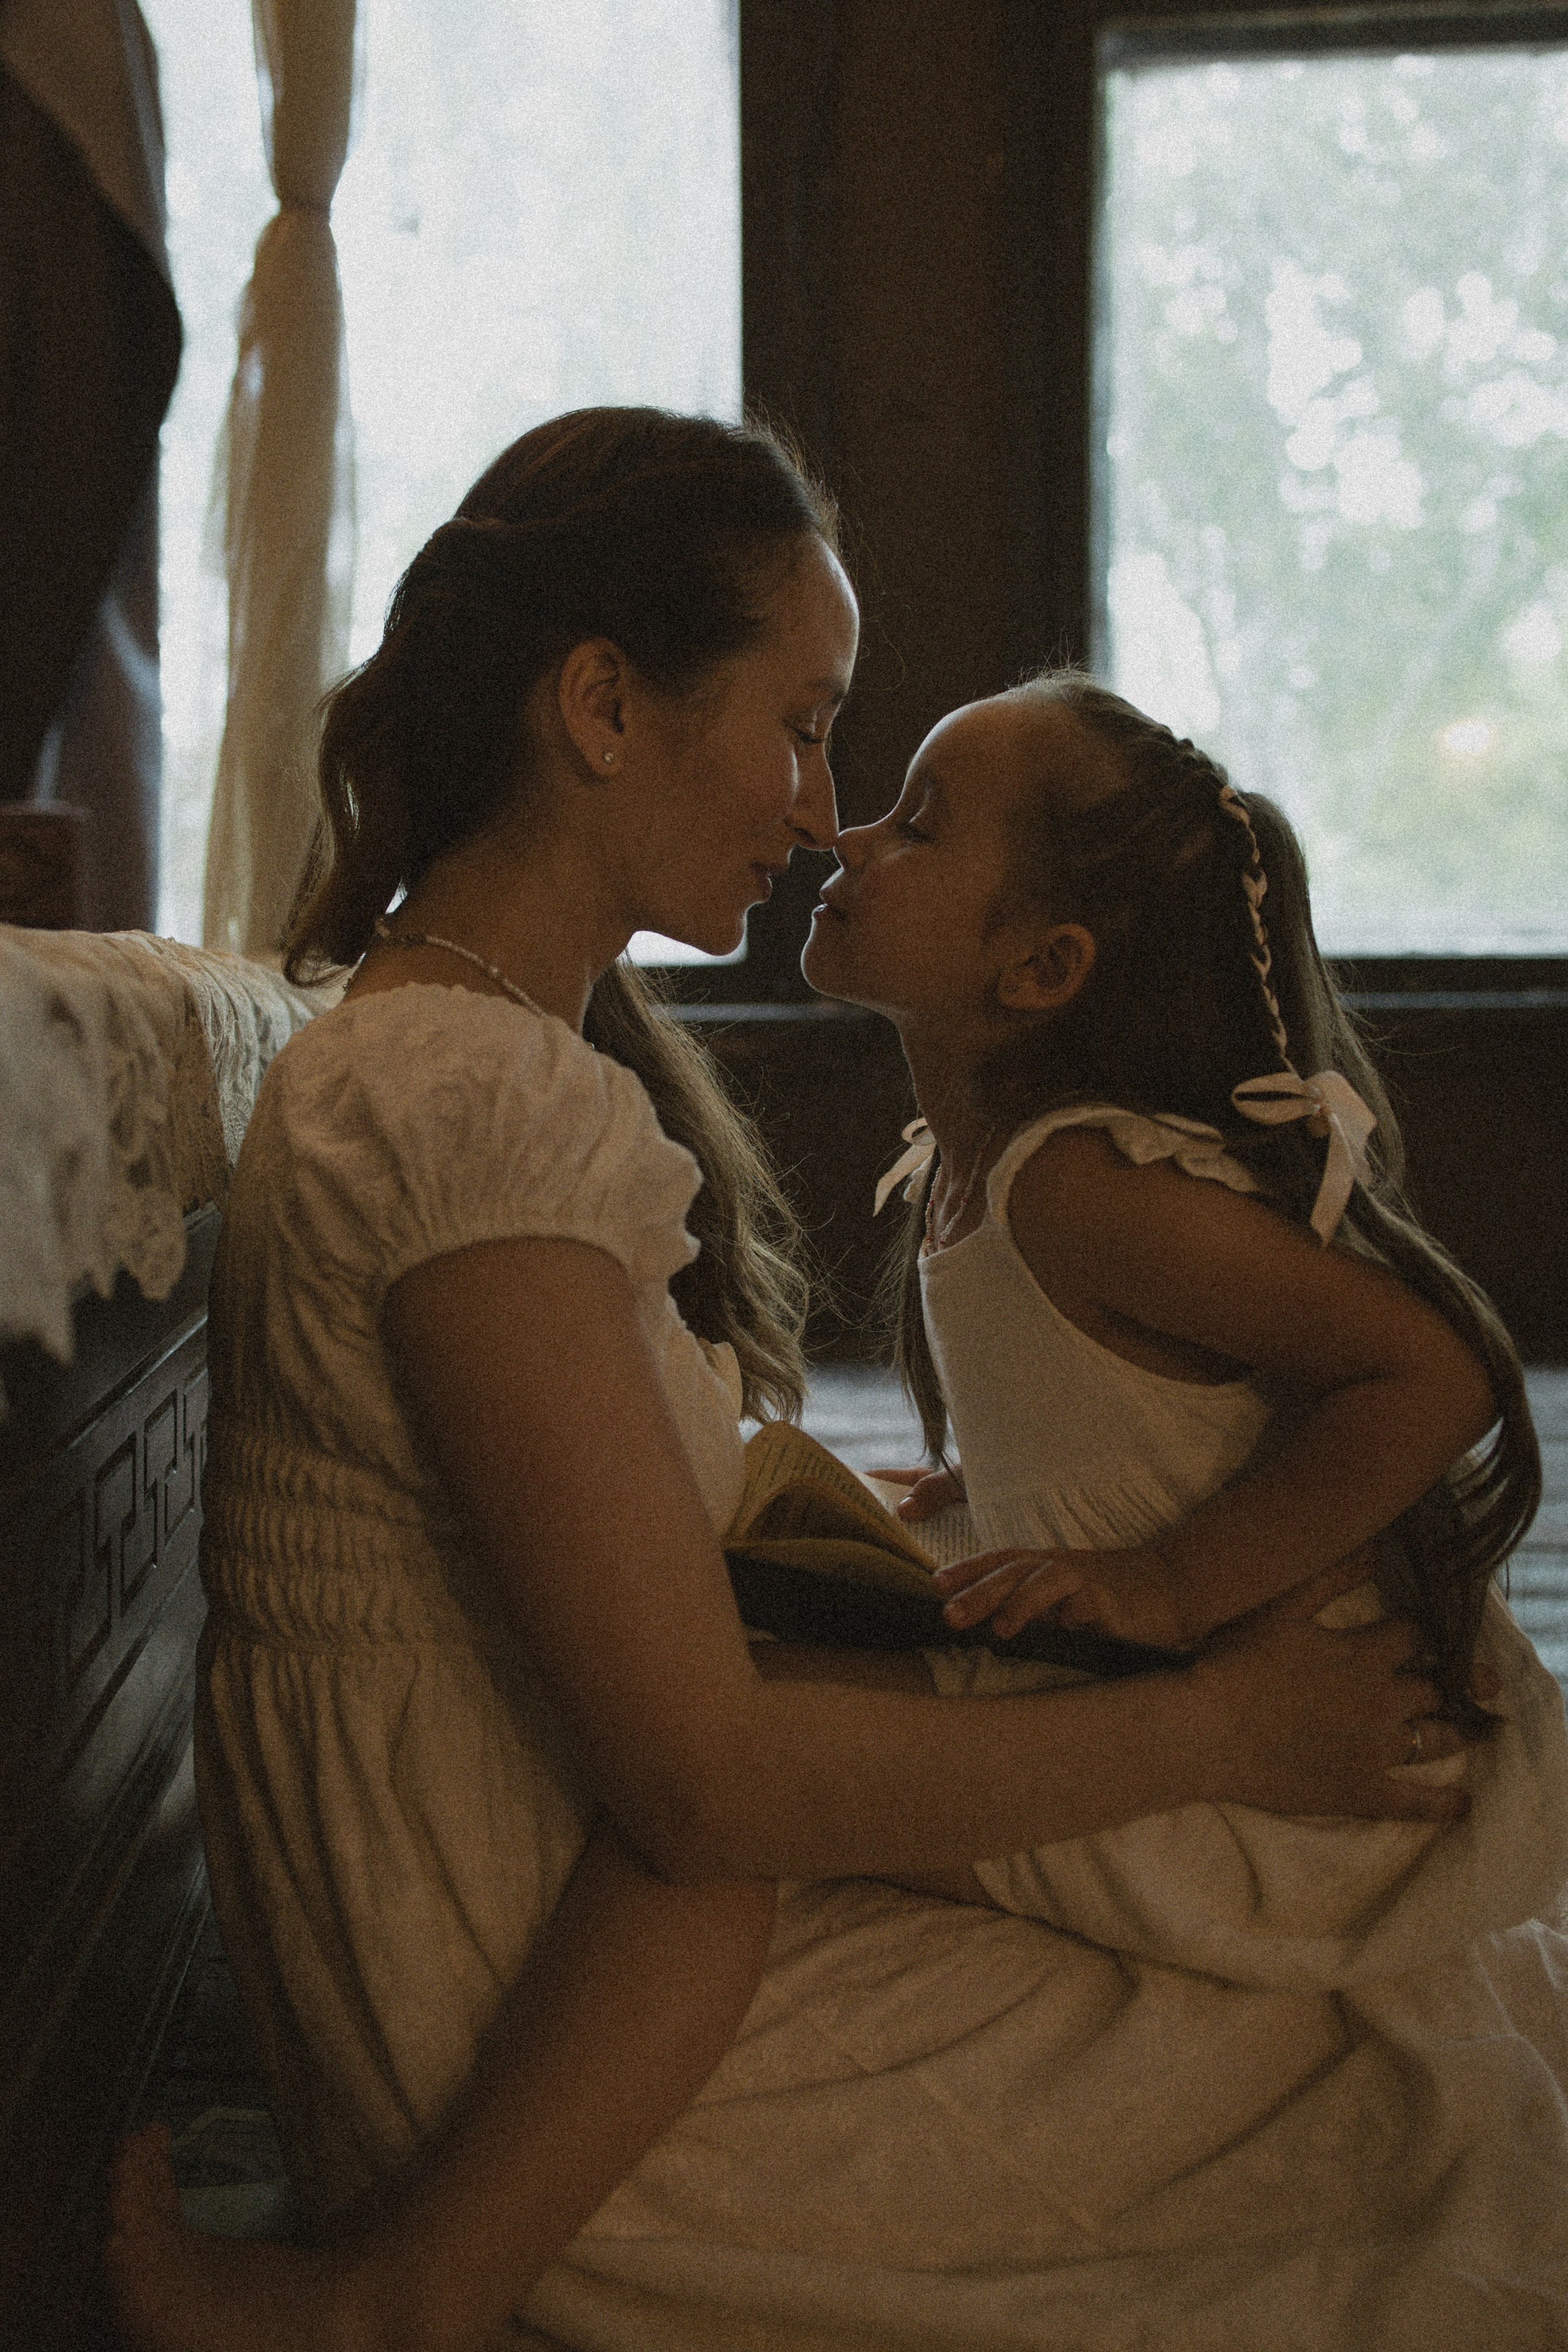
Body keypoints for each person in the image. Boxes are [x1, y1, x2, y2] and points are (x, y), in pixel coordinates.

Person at [104, 410, 1512, 2352]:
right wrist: (1229, 1735)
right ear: (603, 706)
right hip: (532, 2050)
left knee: (1404, 2039)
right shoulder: (455, 1098)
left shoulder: (494, 1067)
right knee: (1419, 2112)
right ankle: (392, 2310)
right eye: (804, 723)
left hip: (581, 1943)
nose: (820, 806)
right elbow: (704, 1784)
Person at [797, 673, 1564, 1978]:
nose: (848, 838)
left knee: (790, 1764)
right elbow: (1131, 1402)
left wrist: (1168, 1583)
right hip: (1154, 1686)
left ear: (1040, 965)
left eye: (914, 826)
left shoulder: (1080, 1187)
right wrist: (998, 1487)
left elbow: (1431, 1372)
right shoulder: (969, 1168)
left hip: (1315, 1764)